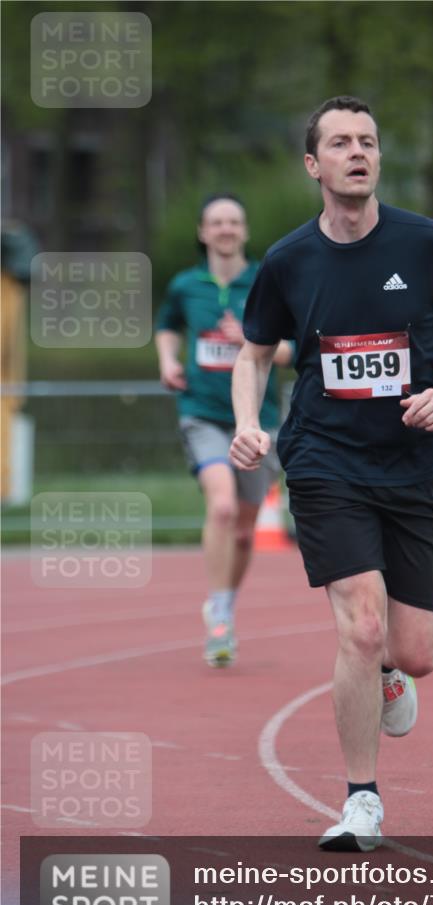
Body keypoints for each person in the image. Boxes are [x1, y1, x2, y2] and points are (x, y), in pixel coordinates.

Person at [231, 97, 433, 850]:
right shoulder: (287, 260)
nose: (357, 152)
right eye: (339, 143)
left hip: (414, 465)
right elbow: (252, 354)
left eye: (367, 141)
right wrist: (249, 423)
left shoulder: (423, 241)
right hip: (324, 458)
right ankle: (361, 800)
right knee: (360, 626)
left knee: (413, 653)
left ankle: (387, 675)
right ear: (314, 165)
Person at [155, 194, 293, 666]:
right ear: (203, 231)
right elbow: (168, 325)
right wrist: (169, 360)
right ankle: (218, 611)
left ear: (245, 231)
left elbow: (295, 350)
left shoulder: (266, 280)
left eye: (234, 221)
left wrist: (251, 343)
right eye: (217, 222)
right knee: (221, 506)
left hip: (258, 421)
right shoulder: (185, 285)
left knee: (244, 530)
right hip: (203, 414)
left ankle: (226, 604)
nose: (225, 229)